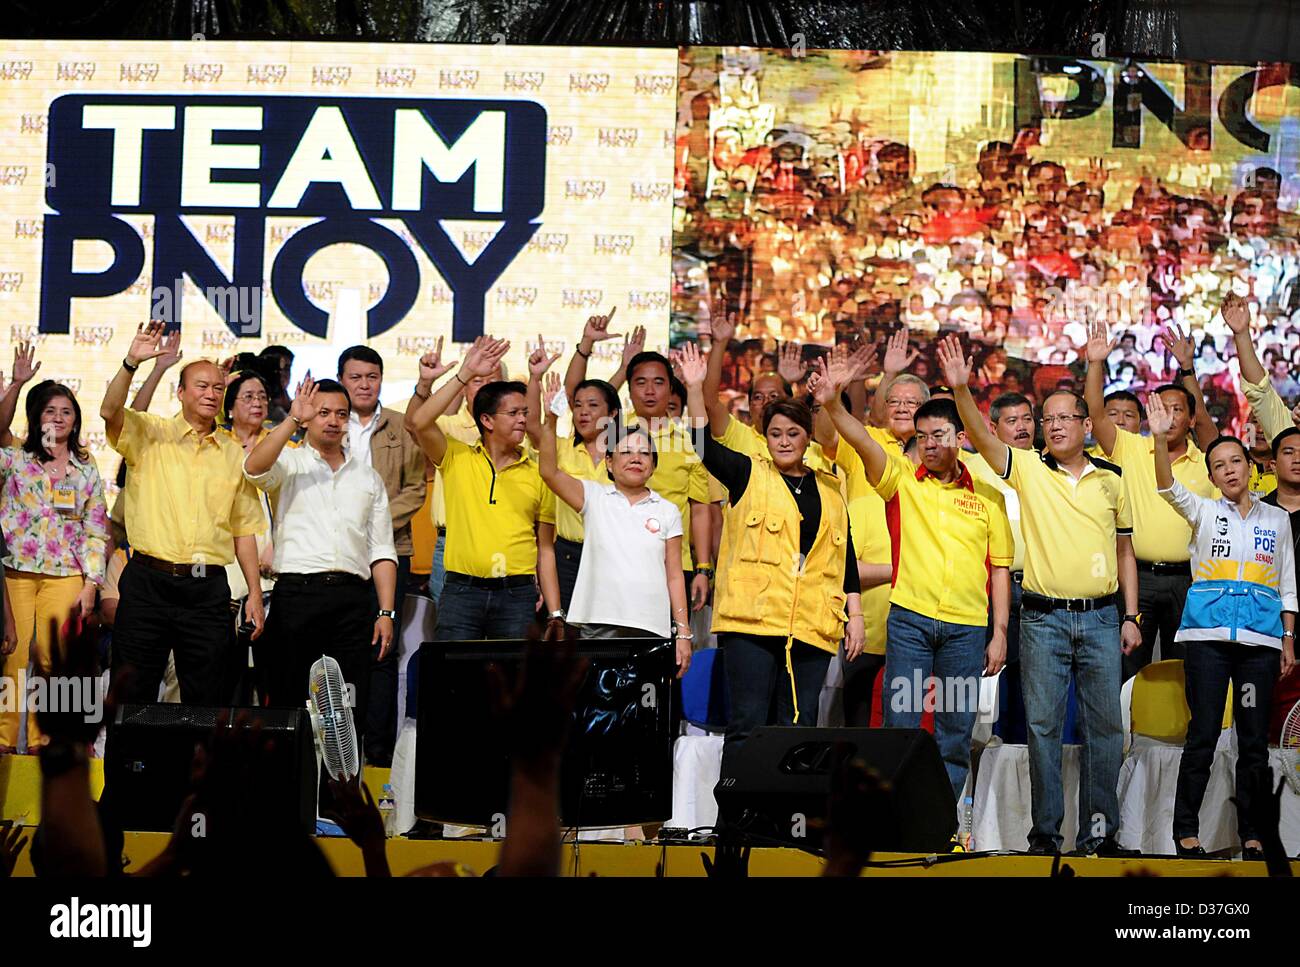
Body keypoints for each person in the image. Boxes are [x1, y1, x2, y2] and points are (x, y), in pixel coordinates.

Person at [940, 334, 1141, 857]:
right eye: (1044, 419)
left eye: (1061, 418)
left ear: (1083, 424)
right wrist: (962, 390)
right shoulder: (1028, 468)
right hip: (1042, 620)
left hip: (1101, 618)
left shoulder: (1111, 480)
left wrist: (1132, 615)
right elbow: (986, 445)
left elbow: (1125, 553)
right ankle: (1045, 837)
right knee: (1043, 730)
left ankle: (1100, 835)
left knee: (1105, 730)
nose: (1050, 426)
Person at [810, 360, 1012, 802]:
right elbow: (863, 441)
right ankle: (892, 817)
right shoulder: (900, 482)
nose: (929, 444)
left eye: (938, 435)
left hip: (965, 630)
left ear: (961, 439)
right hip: (911, 624)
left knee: (955, 732)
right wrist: (832, 405)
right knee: (899, 724)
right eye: (921, 437)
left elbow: (999, 566)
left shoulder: (988, 495)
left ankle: (939, 822)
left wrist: (998, 633)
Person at [678, 343, 864, 787]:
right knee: (747, 728)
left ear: (807, 438)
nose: (784, 440)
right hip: (752, 624)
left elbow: (846, 555)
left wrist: (854, 615)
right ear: (765, 436)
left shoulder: (831, 487)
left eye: (793, 433)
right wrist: (692, 386)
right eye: (776, 433)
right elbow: (702, 443)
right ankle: (736, 826)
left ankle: (785, 825)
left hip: (812, 625)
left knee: (797, 730)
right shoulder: (746, 473)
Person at [1148, 393, 1297, 859]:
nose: (1230, 469)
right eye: (1220, 465)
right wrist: (1158, 439)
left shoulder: (1277, 519)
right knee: (1204, 735)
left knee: (1253, 742)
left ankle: (1253, 833)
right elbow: (1168, 487)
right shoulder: (1204, 511)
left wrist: (1287, 638)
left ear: (1250, 468)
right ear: (1211, 476)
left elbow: (1288, 583)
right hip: (1207, 643)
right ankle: (1185, 832)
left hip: (1260, 645)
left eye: (1237, 461)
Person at [100, 323, 265, 707]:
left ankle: (192, 769)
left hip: (206, 591)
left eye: (218, 388)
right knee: (130, 698)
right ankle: (132, 769)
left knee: (206, 701)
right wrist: (131, 363)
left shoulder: (231, 452)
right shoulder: (149, 433)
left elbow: (243, 529)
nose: (211, 394)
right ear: (180, 392)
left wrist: (255, 592)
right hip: (148, 585)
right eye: (201, 386)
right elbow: (109, 410)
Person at [244, 375, 397, 736]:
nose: (332, 420)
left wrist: (386, 612)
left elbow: (382, 549)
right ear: (309, 417)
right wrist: (292, 420)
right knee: (290, 700)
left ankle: (340, 789)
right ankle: (289, 788)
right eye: (322, 412)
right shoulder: (291, 462)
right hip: (298, 596)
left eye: (340, 414)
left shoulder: (367, 477)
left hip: (352, 600)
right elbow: (254, 467)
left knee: (347, 708)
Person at [1084, 319, 1219, 680]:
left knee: (1188, 667)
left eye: (1178, 410)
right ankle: (1122, 737)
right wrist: (1095, 362)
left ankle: (1186, 736)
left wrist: (1188, 368)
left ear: (1191, 419)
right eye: (1162, 407)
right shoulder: (1130, 447)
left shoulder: (1208, 460)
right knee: (1127, 664)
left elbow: (1207, 421)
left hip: (1189, 581)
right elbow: (1095, 413)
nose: (1169, 416)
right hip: (1136, 577)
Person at [405, 336, 559, 641]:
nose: (522, 420)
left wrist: (555, 613)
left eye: (524, 413)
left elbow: (545, 547)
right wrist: (464, 374)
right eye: (513, 414)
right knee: (457, 684)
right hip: (461, 592)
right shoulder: (457, 457)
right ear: (487, 420)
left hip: (517, 595)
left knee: (511, 685)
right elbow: (418, 421)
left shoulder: (538, 471)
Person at [537, 373, 690, 673]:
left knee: (643, 707)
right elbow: (549, 472)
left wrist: (683, 632)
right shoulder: (593, 497)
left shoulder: (668, 510)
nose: (636, 459)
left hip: (650, 625)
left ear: (653, 466)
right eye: (626, 452)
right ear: (609, 463)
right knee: (598, 704)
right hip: (599, 622)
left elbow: (674, 575)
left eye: (644, 453)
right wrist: (552, 418)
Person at [0, 381, 108, 753]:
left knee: (53, 659)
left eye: (66, 411)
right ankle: (2, 740)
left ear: (76, 419)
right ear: (36, 417)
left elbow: (96, 529)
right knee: (10, 656)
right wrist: (14, 386)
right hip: (15, 571)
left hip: (66, 575)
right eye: (50, 411)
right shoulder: (14, 459)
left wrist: (92, 583)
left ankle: (44, 739)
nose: (59, 418)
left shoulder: (85, 467)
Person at [337, 345, 427, 765]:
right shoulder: (326, 420)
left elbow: (416, 489)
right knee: (338, 653)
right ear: (342, 380)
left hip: (390, 551)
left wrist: (372, 524)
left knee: (381, 651)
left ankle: (377, 754)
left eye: (371, 376)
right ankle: (338, 752)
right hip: (333, 556)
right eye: (355, 377)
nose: (363, 384)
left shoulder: (400, 426)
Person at [524, 325, 620, 611]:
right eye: (577, 405)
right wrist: (535, 378)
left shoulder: (625, 455)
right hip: (569, 555)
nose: (583, 412)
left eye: (592, 405)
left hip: (614, 552)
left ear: (613, 413)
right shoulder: (562, 448)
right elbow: (531, 425)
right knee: (570, 635)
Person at [410, 338, 508, 607]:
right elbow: (414, 423)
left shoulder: (518, 434)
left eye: (493, 382)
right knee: (452, 637)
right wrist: (426, 385)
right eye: (477, 381)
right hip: (453, 544)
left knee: (502, 641)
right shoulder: (449, 427)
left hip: (506, 544)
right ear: (464, 390)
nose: (485, 388)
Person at [965, 392, 1035, 743]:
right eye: (1012, 421)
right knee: (985, 689)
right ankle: (981, 779)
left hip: (1038, 591)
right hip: (986, 589)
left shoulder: (1045, 466)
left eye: (1027, 419)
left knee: (1030, 691)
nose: (1022, 427)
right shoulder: (972, 468)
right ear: (992, 428)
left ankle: (1021, 779)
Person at [219, 370, 278, 704]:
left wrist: (277, 543)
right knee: (229, 670)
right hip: (225, 560)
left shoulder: (283, 441)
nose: (258, 403)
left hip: (269, 566)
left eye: (262, 397)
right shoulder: (214, 444)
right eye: (248, 396)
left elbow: (292, 502)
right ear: (229, 408)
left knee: (269, 671)